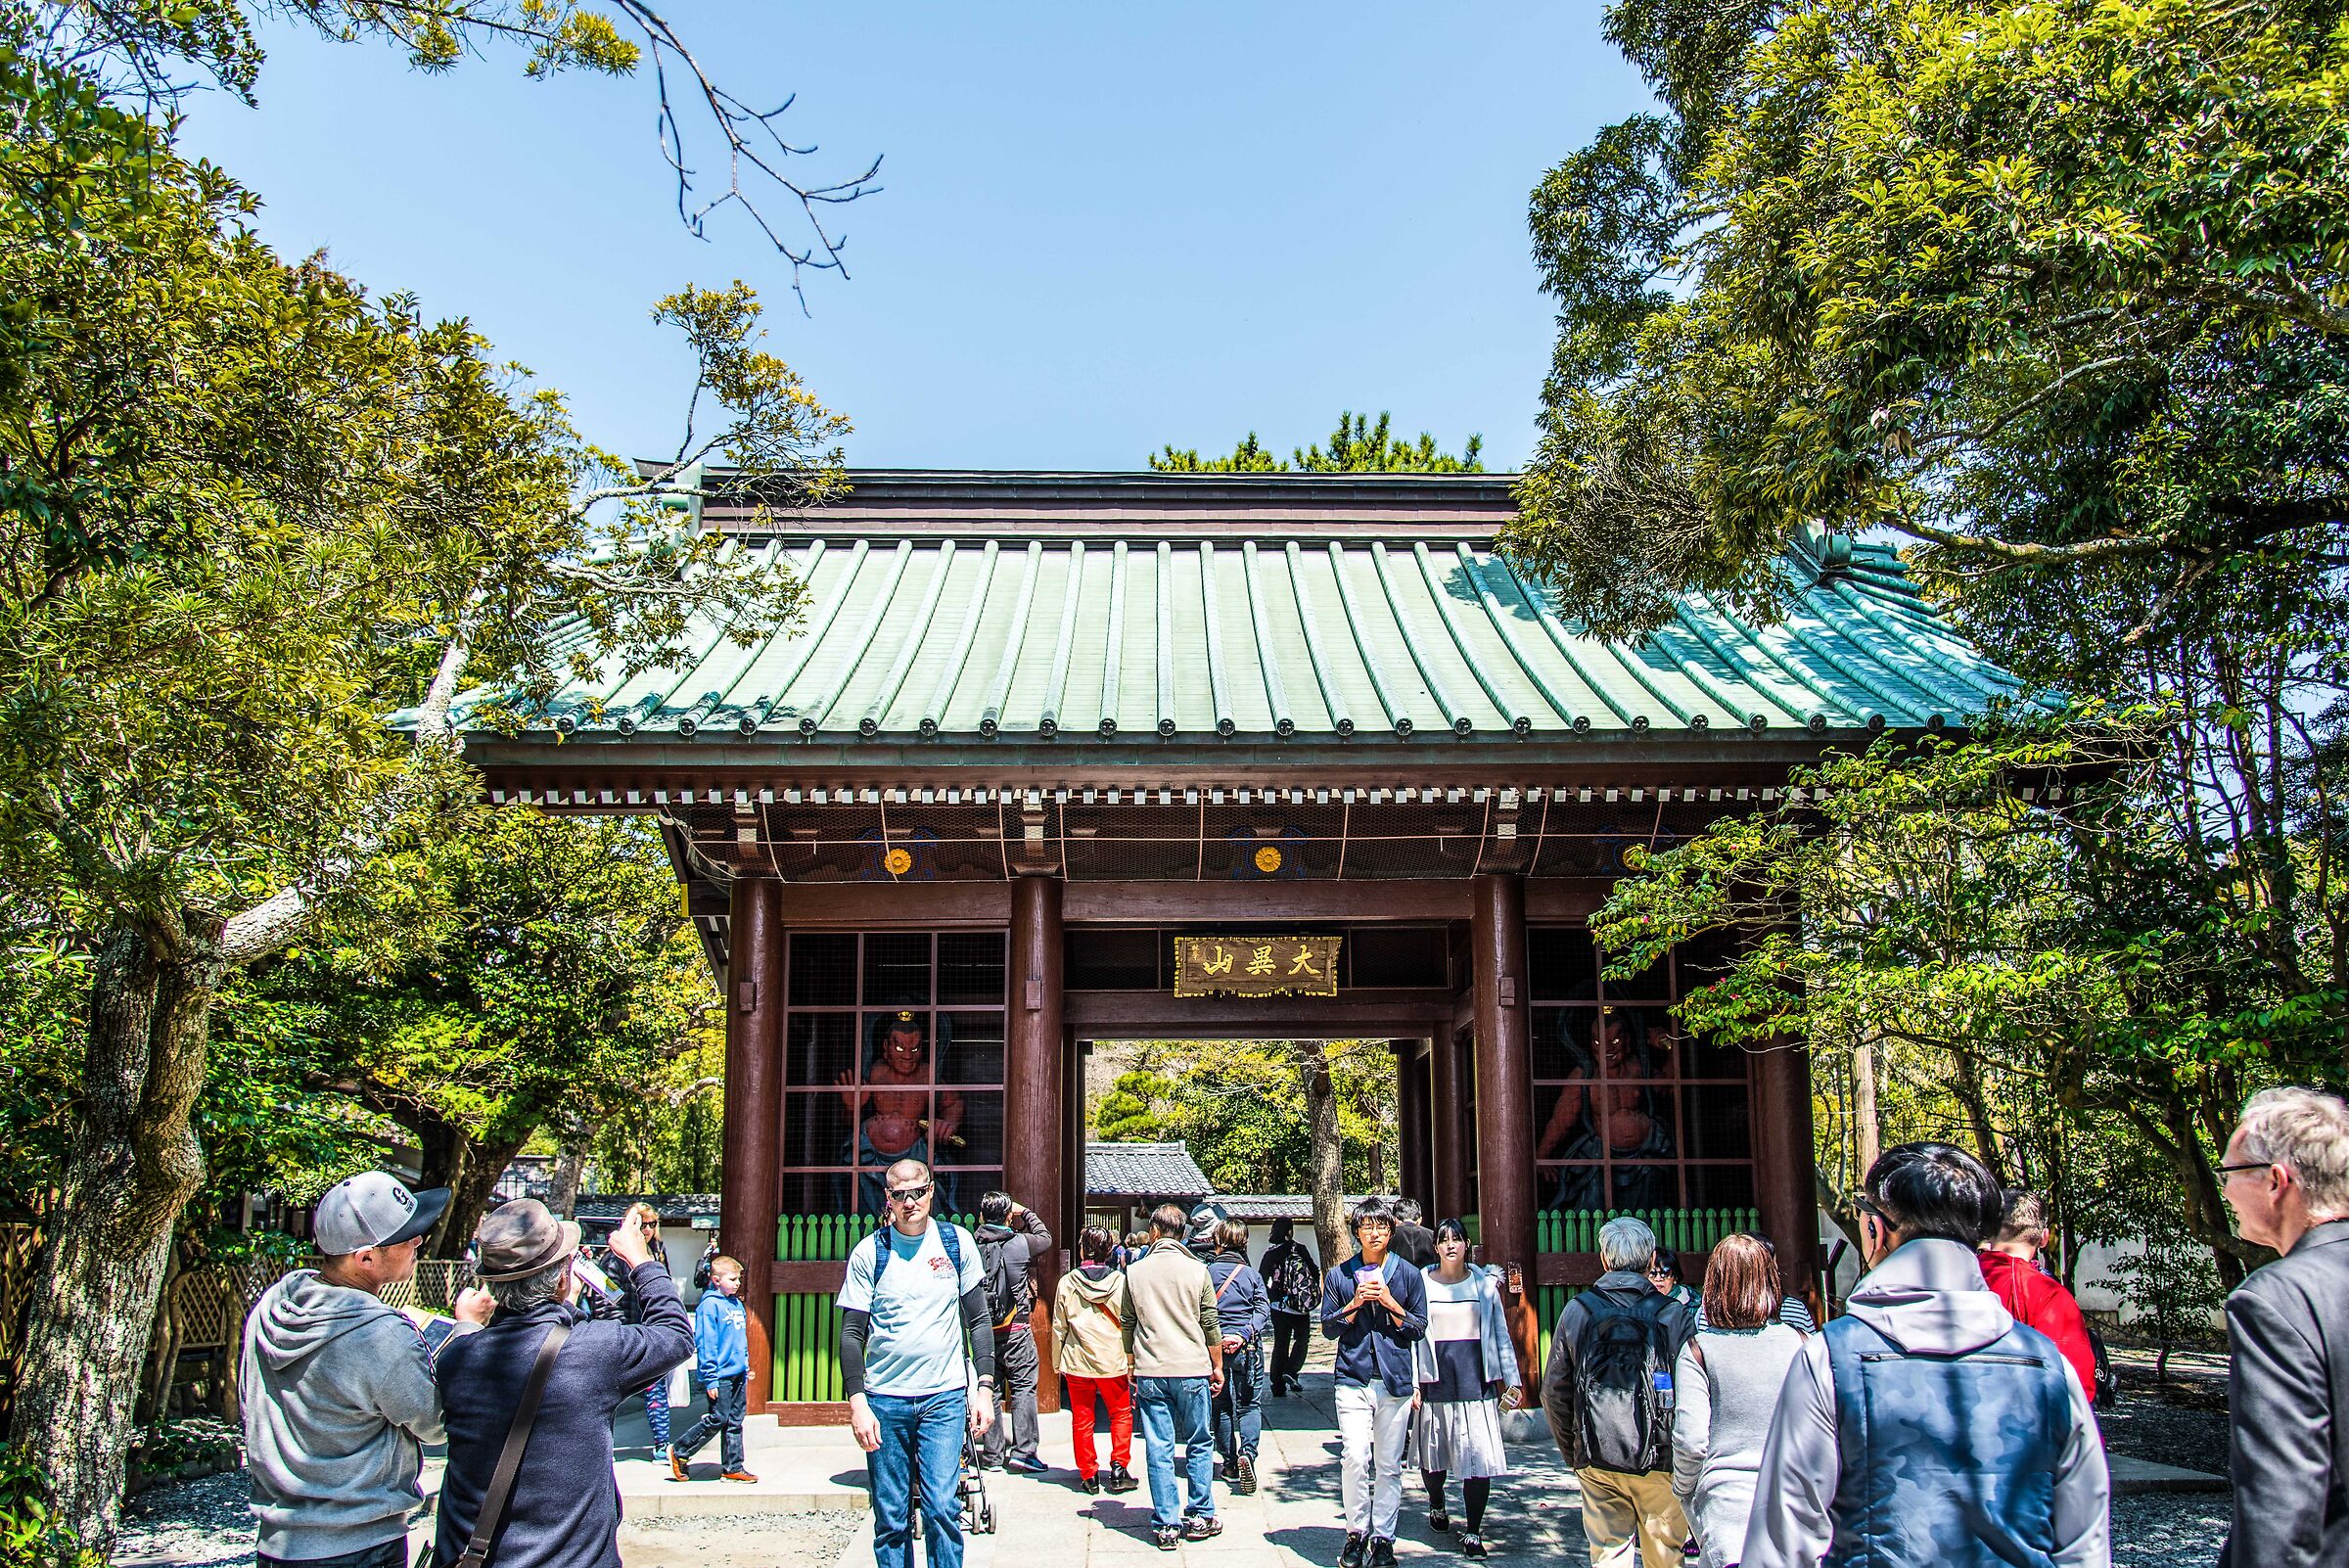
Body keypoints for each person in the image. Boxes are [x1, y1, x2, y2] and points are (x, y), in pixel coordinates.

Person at [1741, 1143, 2109, 1568]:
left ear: (1875, 1230)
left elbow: (1784, 1540)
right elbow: (2085, 1543)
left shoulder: (1832, 1358)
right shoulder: (2048, 1366)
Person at [244, 1172, 489, 1568]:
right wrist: (467, 1331)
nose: (418, 1241)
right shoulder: (379, 1333)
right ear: (366, 1258)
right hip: (358, 1545)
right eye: (406, 1236)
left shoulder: (275, 1306)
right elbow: (438, 1424)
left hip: (278, 1543)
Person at [434, 1200, 691, 1568]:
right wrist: (641, 1260)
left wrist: (468, 1325)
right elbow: (675, 1335)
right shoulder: (595, 1349)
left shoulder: (458, 1356)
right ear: (561, 1277)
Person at [837, 1159, 998, 1568]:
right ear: (887, 1198)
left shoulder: (957, 1243)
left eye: (917, 1192)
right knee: (890, 1517)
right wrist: (857, 1403)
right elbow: (852, 1333)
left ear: (931, 1191)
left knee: (943, 1506)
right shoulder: (869, 1253)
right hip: (884, 1400)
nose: (910, 1202)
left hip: (942, 1397)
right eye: (899, 1195)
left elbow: (977, 1320)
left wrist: (984, 1388)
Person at [2217, 1085, 2349, 1568]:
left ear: (2276, 1181)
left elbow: (2281, 1509)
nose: (2225, 1190)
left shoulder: (2276, 1302)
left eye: (2229, 1173)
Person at [1541, 1216, 1692, 1568]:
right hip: (1660, 1458)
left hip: (1597, 1454)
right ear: (1651, 1258)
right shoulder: (1672, 1314)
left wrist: (1574, 1449)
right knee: (1666, 1556)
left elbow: (1554, 1390)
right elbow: (1691, 1390)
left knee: (1608, 1554)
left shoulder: (1579, 1310)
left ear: (1604, 1259)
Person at [1669, 1234, 1807, 1568]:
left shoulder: (1699, 1351)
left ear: (1713, 1283)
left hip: (1727, 1507)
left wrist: (1683, 1489)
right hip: (1795, 1502)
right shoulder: (1801, 1344)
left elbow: (1691, 1440)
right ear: (1770, 1280)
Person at [1322, 1195, 1430, 1568]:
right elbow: (1328, 1328)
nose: (1374, 1232)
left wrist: (1390, 1303)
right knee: (1354, 1456)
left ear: (1391, 1229)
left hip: (1394, 1379)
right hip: (1353, 1376)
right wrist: (1353, 1304)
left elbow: (1418, 1328)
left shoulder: (1408, 1275)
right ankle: (1356, 1533)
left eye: (1381, 1225)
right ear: (1356, 1232)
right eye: (1366, 1226)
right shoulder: (1339, 1275)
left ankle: (1384, 1537)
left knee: (1388, 1465)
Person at [1411, 1219, 1517, 1559]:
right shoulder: (1422, 1284)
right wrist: (1413, 1382)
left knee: (1478, 1458)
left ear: (1467, 1244)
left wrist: (1511, 1379)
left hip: (1476, 1375)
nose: (1451, 1245)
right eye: (1444, 1240)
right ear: (1436, 1247)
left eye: (1457, 1239)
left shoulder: (1484, 1285)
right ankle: (1437, 1501)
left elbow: (1500, 1332)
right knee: (1434, 1455)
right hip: (1436, 1376)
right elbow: (1413, 1338)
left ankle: (1473, 1530)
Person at [1126, 1202, 1227, 1549]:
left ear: (1153, 1232)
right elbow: (1210, 1323)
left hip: (1152, 1367)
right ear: (1183, 1233)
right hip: (1191, 1366)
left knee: (1159, 1445)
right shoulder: (1198, 1270)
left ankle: (1166, 1522)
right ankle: (1200, 1514)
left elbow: (1128, 1321)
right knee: (1199, 1441)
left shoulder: (1135, 1272)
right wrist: (1217, 1365)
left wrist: (1130, 1363)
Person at [1538, 1007, 1677, 1212]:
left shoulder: (1638, 1067)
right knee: (1594, 1206)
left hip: (1645, 1155)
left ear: (1627, 1040)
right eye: (1597, 1042)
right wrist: (1542, 1155)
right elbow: (1561, 1121)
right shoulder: (1584, 1076)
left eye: (1615, 1041)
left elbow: (1668, 1088)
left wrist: (1671, 1047)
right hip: (1603, 1158)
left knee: (1651, 1210)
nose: (1606, 1048)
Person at [1976, 1188, 2099, 1405]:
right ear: (2044, 1238)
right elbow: (2076, 1387)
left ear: (1988, 1230)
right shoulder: (2050, 1295)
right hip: (2022, 1424)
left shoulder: (1954, 1276)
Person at [838, 1011, 965, 1216]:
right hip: (870, 1158)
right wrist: (852, 1108)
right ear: (885, 1048)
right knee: (867, 1208)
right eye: (900, 1048)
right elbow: (846, 1123)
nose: (907, 1055)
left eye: (914, 1048)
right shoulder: (873, 1072)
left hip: (915, 1155)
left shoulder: (928, 1075)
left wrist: (948, 1124)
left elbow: (954, 1103)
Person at [1051, 1224, 1138, 1496]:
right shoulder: (1121, 1282)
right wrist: (1133, 1361)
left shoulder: (1067, 1283)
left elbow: (1058, 1327)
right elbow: (1129, 1323)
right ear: (1109, 1251)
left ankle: (1088, 1474)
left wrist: (1056, 1362)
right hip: (1113, 1358)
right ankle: (1119, 1467)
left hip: (1078, 1358)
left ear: (1081, 1250)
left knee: (1083, 1417)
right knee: (1121, 1414)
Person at [974, 1190, 1054, 1472]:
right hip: (1016, 1327)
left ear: (982, 1216)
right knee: (1022, 1387)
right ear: (1009, 1216)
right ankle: (1024, 1450)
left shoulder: (974, 1245)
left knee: (990, 1389)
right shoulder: (1019, 1243)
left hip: (983, 1329)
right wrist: (1027, 1213)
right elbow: (1046, 1238)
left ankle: (993, 1455)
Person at [667, 1255, 754, 1482]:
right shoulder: (710, 1305)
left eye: (738, 1279)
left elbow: (740, 1339)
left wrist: (745, 1364)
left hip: (737, 1372)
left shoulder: (736, 1304)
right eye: (732, 1279)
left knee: (735, 1420)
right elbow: (707, 1343)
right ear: (716, 1280)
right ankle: (681, 1450)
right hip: (721, 1373)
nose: (737, 1283)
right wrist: (710, 1378)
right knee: (718, 1418)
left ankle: (734, 1465)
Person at [1202, 1217, 1271, 1494]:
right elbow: (1262, 1310)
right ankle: (1248, 1454)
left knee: (1220, 1406)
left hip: (1213, 1348)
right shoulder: (1252, 1276)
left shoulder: (1205, 1273)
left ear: (1217, 1242)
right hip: (1247, 1347)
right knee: (1249, 1405)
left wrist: (1219, 1336)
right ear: (1244, 1242)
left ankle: (1229, 1463)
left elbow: (1201, 1312)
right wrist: (1243, 1333)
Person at [613, 1208, 676, 1455]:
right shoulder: (614, 1257)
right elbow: (606, 1297)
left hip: (651, 1328)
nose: (648, 1230)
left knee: (656, 1387)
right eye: (642, 1224)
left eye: (652, 1224)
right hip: (625, 1328)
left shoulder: (659, 1251)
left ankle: (661, 1443)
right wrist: (618, 1328)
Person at [1259, 1217, 1320, 1398]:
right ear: (1290, 1232)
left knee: (1280, 1343)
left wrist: (1273, 1297)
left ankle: (1277, 1386)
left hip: (1279, 1306)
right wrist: (1307, 1294)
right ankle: (1291, 1370)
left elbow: (1261, 1280)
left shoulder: (1271, 1254)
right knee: (1302, 1339)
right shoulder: (1299, 1249)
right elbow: (1314, 1271)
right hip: (1300, 1306)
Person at [1391, 1198, 1439, 1270]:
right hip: (1427, 1278)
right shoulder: (1433, 1235)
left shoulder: (1388, 1236)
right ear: (1420, 1220)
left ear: (1394, 1219)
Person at [1644, 1248, 1695, 1312]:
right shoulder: (1636, 1300)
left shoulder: (1692, 1306)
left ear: (1675, 1277)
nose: (1658, 1279)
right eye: (1652, 1273)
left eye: (1665, 1272)